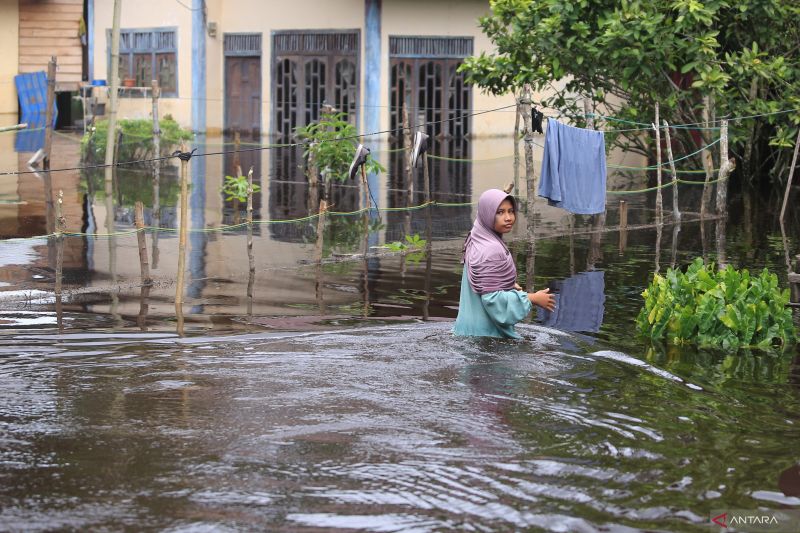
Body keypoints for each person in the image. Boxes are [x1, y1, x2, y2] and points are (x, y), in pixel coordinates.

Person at [454, 189, 556, 339]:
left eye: (511, 211)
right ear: (487, 214)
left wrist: (505, 284)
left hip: (465, 330)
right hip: (486, 337)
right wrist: (532, 298)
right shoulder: (492, 250)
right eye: (500, 212)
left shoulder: (476, 237)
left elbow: (483, 279)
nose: (508, 218)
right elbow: (492, 300)